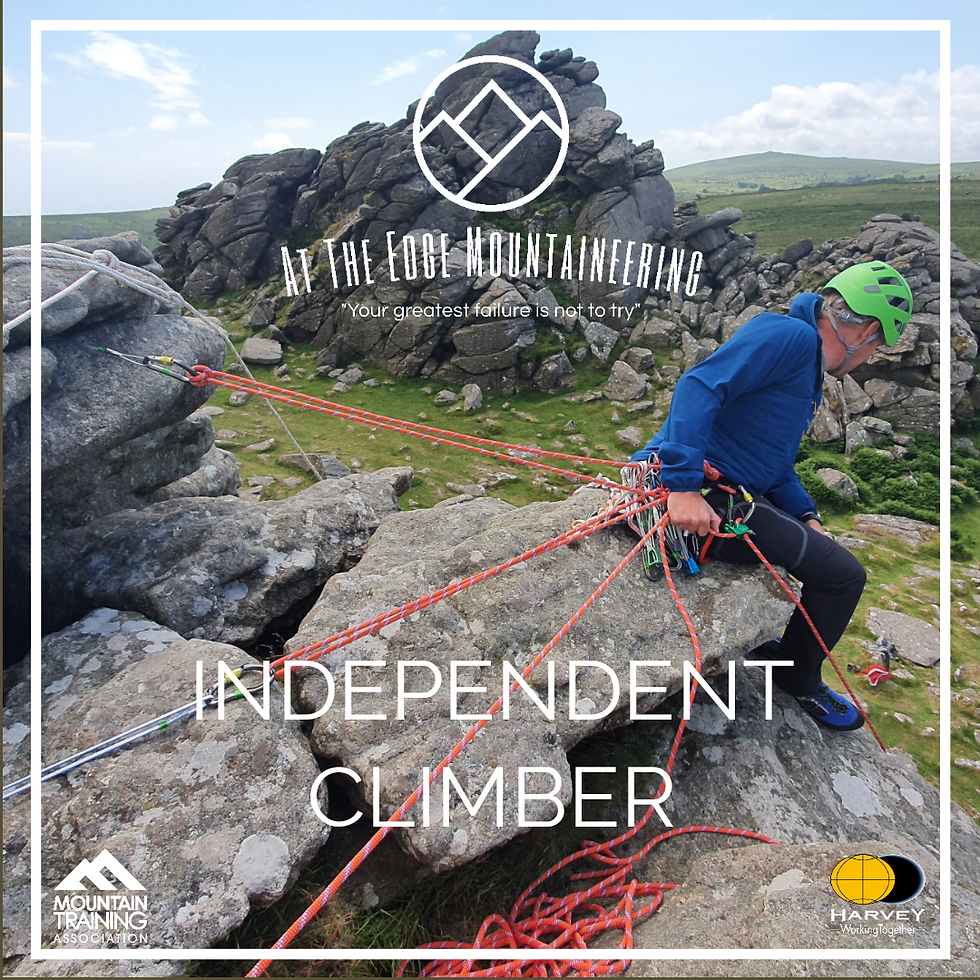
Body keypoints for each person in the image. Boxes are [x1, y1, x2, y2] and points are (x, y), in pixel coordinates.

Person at [630, 261, 914, 731]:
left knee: (819, 553)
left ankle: (782, 651)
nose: (870, 357)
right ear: (864, 332)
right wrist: (681, 489)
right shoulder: (791, 337)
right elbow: (699, 385)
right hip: (694, 494)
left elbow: (771, 458)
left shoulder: (804, 365)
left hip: (719, 490)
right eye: (878, 346)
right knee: (844, 577)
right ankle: (798, 680)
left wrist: (805, 511)